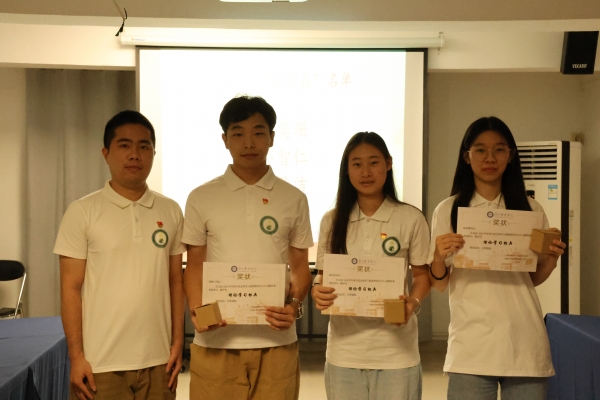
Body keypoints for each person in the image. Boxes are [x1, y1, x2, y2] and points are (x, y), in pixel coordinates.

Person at [182, 95, 313, 400]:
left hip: (276, 342)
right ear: (225, 140)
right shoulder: (201, 197)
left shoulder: (294, 198)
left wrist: (293, 306)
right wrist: (198, 310)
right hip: (216, 341)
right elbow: (195, 265)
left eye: (258, 132)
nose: (249, 143)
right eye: (238, 133)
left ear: (272, 138)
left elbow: (300, 267)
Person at [428, 116, 566, 400]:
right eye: (480, 149)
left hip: (524, 342)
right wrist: (439, 258)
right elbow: (440, 284)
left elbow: (531, 279)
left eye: (499, 149)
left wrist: (551, 260)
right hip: (471, 345)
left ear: (510, 155)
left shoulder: (531, 209)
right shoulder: (448, 210)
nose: (489, 158)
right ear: (466, 156)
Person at [54, 110, 185, 400]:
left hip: (159, 361)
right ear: (106, 153)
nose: (135, 154)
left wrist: (178, 343)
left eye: (144, 146)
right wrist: (76, 357)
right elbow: (70, 288)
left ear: (153, 153)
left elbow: (176, 281)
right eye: (124, 145)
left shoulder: (171, 210)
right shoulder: (82, 211)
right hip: (100, 364)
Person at [311, 132, 431, 400]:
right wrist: (317, 289)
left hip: (397, 352)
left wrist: (411, 303)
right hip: (344, 353)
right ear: (347, 170)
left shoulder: (410, 217)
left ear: (388, 163)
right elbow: (322, 277)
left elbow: (422, 277)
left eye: (374, 162)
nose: (365, 172)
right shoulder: (332, 221)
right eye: (357, 164)